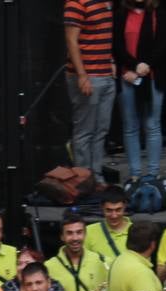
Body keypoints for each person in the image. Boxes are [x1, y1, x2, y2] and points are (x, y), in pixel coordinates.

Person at [114, 0, 166, 180]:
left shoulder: (159, 13)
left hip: (153, 76)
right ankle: (135, 175)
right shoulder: (121, 14)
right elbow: (117, 46)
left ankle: (153, 175)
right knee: (131, 127)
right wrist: (134, 66)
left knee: (152, 125)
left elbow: (163, 45)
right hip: (128, 75)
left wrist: (145, 67)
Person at [64, 0, 117, 173]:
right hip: (88, 76)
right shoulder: (76, 4)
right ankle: (83, 177)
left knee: (101, 129)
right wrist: (82, 75)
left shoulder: (105, 3)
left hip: (106, 75)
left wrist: (111, 61)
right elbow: (71, 41)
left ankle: (96, 176)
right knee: (84, 131)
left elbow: (104, 36)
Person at [47, 211, 111, 291]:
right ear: (62, 237)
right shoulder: (49, 267)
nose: (75, 238)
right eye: (69, 233)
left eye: (79, 232)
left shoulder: (102, 261)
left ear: (85, 234)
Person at [86, 188, 132, 258]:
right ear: (102, 207)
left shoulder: (137, 232)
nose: (114, 215)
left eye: (118, 210)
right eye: (109, 210)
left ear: (125, 206)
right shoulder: (88, 232)